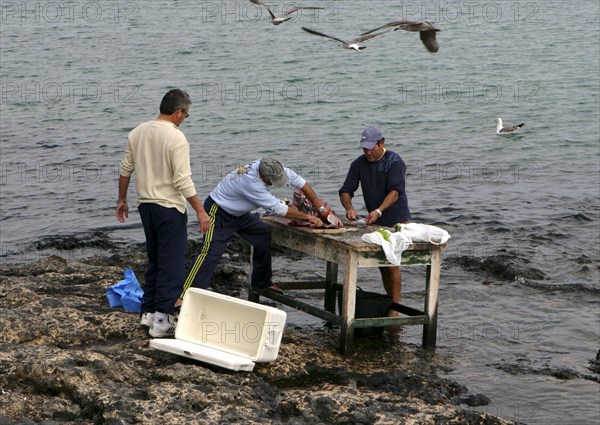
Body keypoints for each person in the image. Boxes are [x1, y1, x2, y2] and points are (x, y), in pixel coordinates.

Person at [115, 88, 211, 338]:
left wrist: (122, 199)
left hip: (145, 206)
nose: (184, 119)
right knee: (173, 266)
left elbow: (126, 169)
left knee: (155, 260)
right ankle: (161, 321)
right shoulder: (176, 138)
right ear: (178, 112)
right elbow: (182, 180)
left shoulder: (138, 131)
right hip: (169, 208)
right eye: (186, 115)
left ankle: (148, 313)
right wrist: (201, 211)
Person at [178, 157, 330, 302]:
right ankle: (184, 295)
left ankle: (261, 282)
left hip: (240, 214)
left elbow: (303, 184)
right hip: (219, 212)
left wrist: (320, 209)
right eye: (272, 181)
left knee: (263, 232)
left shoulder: (274, 168)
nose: (275, 183)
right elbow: (278, 209)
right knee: (210, 253)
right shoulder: (251, 182)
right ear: (263, 176)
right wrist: (309, 217)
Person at [338, 126, 411, 304]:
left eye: (372, 148)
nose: (368, 152)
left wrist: (379, 211)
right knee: (382, 264)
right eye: (365, 148)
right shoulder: (358, 164)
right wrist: (349, 207)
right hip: (375, 222)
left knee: (392, 263)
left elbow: (395, 193)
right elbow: (346, 191)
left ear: (382, 143)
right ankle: (389, 300)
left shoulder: (394, 161)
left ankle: (395, 307)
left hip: (396, 219)